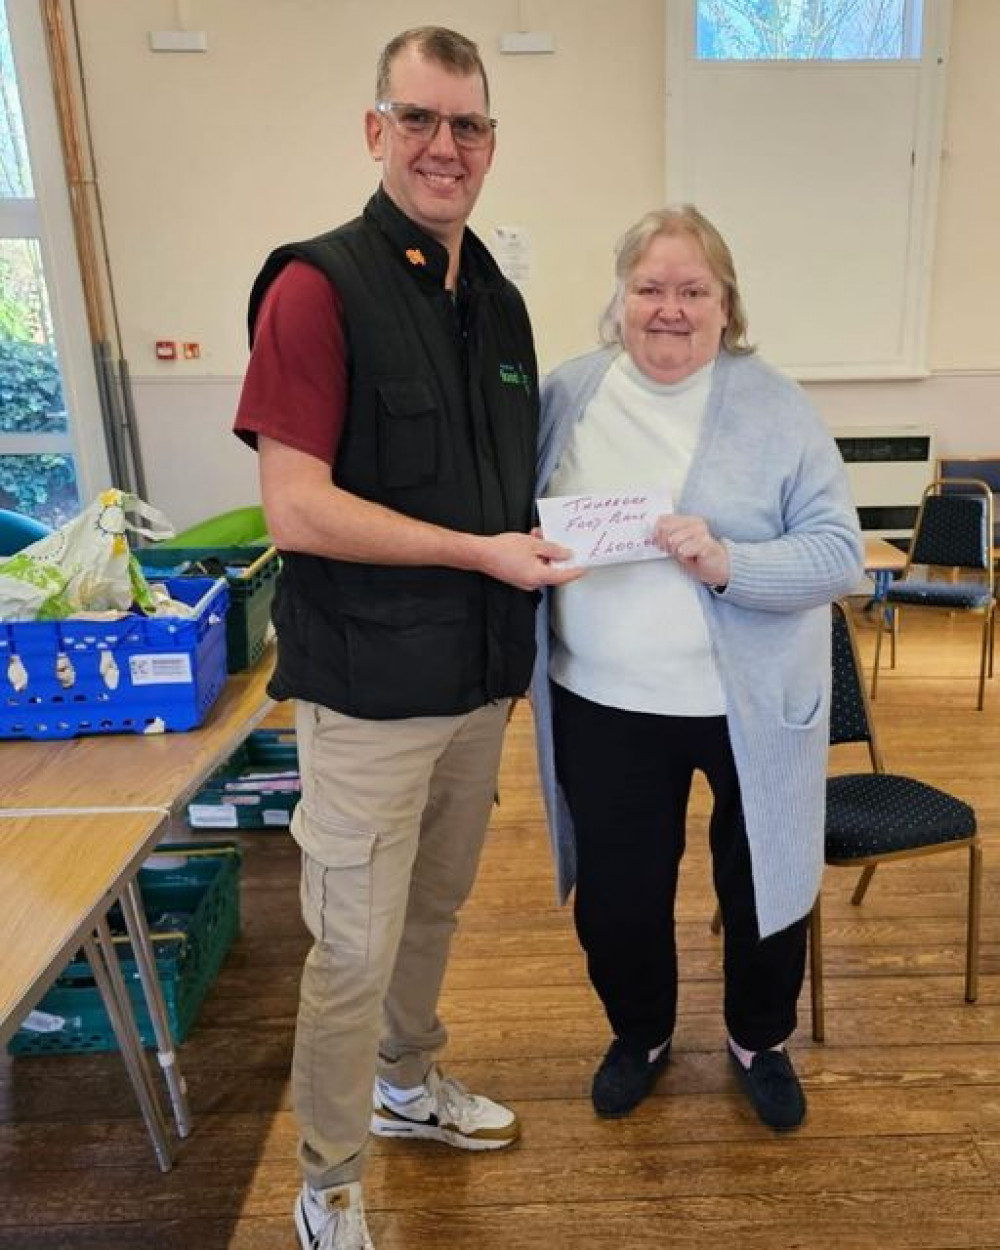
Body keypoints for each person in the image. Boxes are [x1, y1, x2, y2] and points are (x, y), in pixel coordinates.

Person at [233, 27, 578, 1250]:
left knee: (433, 912)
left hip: (478, 684)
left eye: (467, 125)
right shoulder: (316, 289)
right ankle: (327, 1180)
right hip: (368, 698)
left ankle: (405, 1081)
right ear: (375, 131)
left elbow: (519, 487)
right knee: (350, 946)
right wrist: (481, 553)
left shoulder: (498, 300)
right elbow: (297, 506)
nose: (446, 146)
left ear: (491, 144)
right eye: (420, 119)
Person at [531, 205, 863, 1133]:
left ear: (725, 306)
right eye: (649, 289)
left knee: (763, 885)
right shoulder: (571, 394)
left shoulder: (778, 406)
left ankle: (760, 1039)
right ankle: (638, 1034)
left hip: (748, 703)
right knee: (621, 896)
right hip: (602, 700)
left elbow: (841, 555)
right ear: (620, 298)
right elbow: (519, 518)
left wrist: (730, 563)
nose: (668, 309)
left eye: (691, 291)